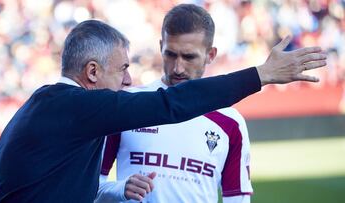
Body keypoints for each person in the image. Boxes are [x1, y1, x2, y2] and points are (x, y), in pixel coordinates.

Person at [0, 16, 325, 202]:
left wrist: (117, 190)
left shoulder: (50, 105)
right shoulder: (76, 107)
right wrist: (261, 75)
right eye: (121, 69)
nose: (129, 79)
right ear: (92, 72)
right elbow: (170, 103)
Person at [95, 4, 252, 203]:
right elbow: (88, 187)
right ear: (161, 46)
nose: (178, 67)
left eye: (189, 57)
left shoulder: (230, 122)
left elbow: (237, 199)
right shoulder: (127, 105)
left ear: (210, 55)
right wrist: (120, 188)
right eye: (170, 54)